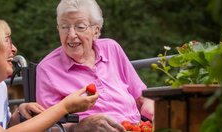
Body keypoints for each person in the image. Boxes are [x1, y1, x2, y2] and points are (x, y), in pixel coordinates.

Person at [36, 0, 154, 131]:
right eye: (64, 27)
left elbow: (142, 98)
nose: (71, 35)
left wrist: (155, 111)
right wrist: (80, 127)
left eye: (80, 27)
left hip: (136, 127)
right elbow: (48, 127)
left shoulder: (111, 48)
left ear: (95, 31)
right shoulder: (47, 69)